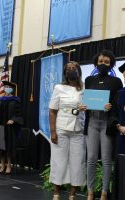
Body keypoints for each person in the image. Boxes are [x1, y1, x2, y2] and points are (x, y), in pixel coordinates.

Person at [84, 50, 123, 200]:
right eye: (100, 61)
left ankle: (105, 192)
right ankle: (90, 192)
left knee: (107, 159)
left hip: (107, 123)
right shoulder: (89, 80)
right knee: (91, 158)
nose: (103, 64)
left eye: (106, 62)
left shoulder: (116, 81)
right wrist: (84, 106)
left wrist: (111, 105)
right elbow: (87, 99)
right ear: (96, 62)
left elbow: (118, 103)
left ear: (111, 64)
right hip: (92, 121)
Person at [49, 61, 86, 200]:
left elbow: (93, 105)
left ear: (79, 71)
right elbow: (52, 111)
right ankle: (56, 192)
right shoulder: (59, 87)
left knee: (77, 162)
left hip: (78, 130)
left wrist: (104, 105)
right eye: (69, 68)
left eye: (74, 68)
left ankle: (72, 194)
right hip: (61, 129)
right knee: (59, 160)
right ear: (65, 72)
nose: (71, 70)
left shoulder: (84, 89)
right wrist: (52, 132)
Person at [0, 81, 23, 174]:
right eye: (5, 86)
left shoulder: (16, 100)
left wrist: (13, 120)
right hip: (0, 126)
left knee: (9, 146)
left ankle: (9, 165)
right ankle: (2, 165)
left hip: (10, 127)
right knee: (1, 146)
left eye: (8, 87)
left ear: (12, 89)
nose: (7, 88)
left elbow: (19, 113)